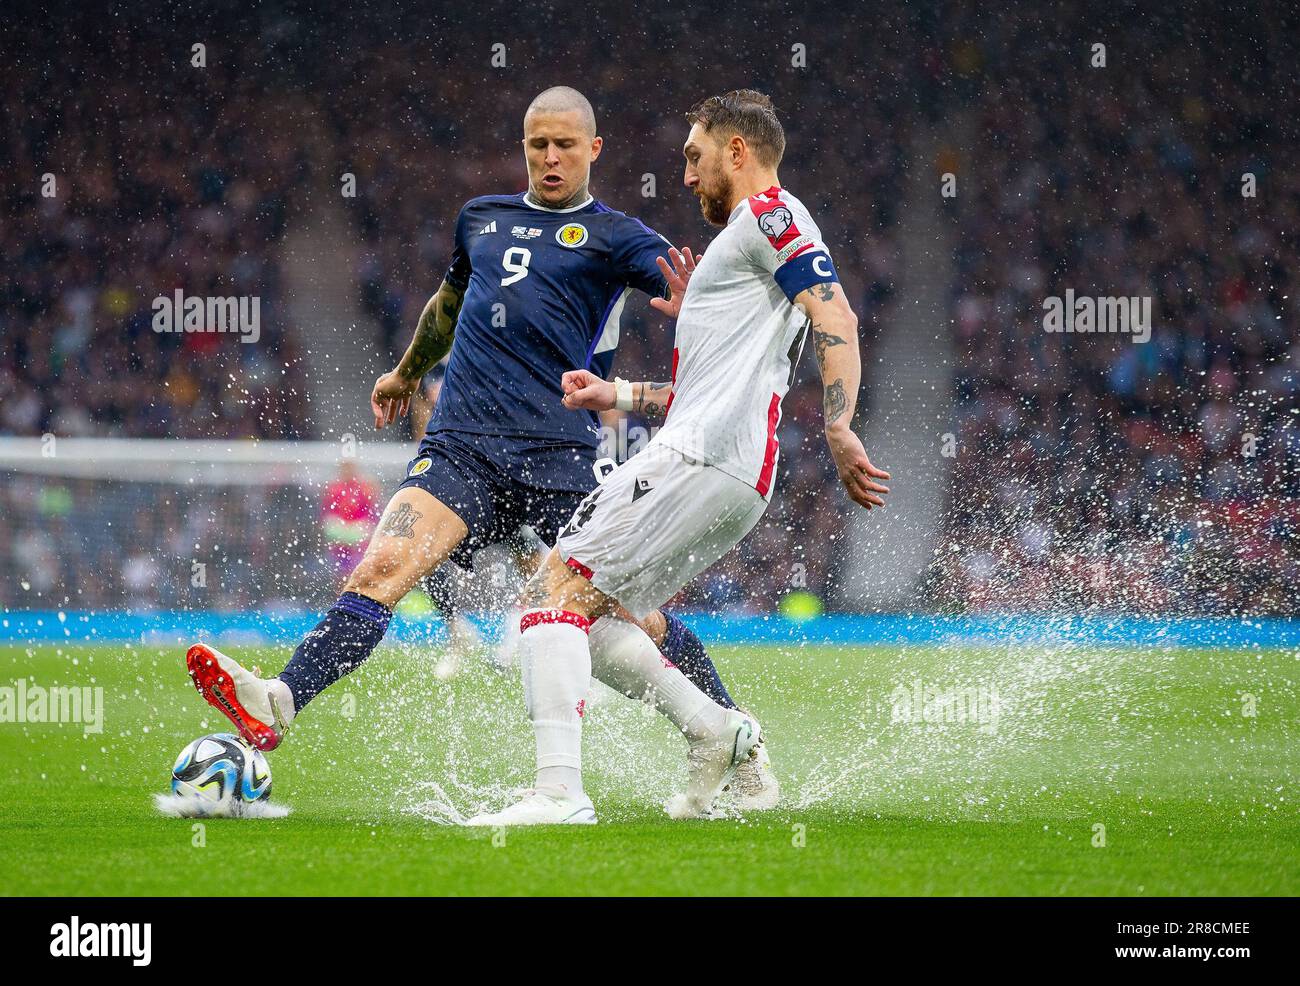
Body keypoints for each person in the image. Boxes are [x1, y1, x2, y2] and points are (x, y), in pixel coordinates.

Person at [185, 86, 776, 810]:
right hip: (461, 443)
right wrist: (406, 372)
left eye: (565, 145)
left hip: (559, 455)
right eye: (537, 145)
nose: (550, 158)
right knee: (382, 567)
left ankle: (736, 742)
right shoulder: (481, 219)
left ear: (594, 150)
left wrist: (700, 309)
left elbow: (702, 290)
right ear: (523, 147)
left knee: (626, 616)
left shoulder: (618, 235)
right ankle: (278, 701)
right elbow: (446, 305)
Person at [468, 90, 890, 826]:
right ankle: (717, 733)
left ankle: (559, 794)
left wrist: (840, 425)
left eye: (694, 157)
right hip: (723, 464)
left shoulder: (771, 216)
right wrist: (619, 393)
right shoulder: (743, 249)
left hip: (702, 459)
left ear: (736, 151)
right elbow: (710, 385)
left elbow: (836, 311)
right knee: (601, 613)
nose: (687, 176)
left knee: (552, 592)